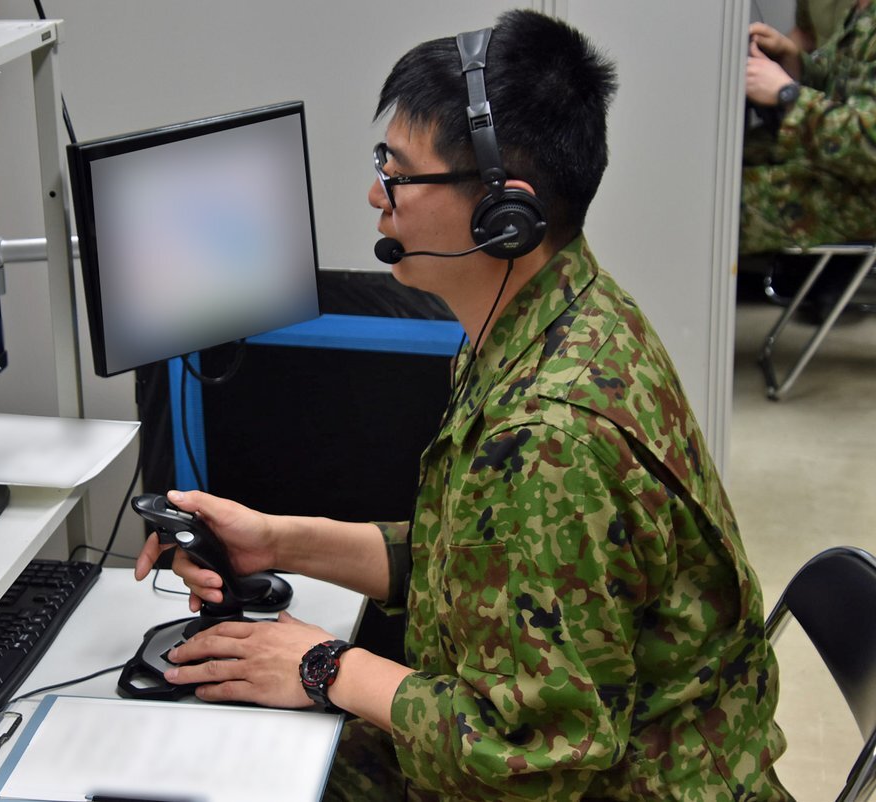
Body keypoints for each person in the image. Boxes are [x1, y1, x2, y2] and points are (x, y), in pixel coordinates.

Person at [135, 9, 791, 800]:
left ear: (503, 216)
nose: (375, 194)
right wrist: (275, 542)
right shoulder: (553, 312)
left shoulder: (550, 435)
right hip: (581, 759)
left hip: (595, 784)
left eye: (399, 174)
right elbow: (476, 565)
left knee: (230, 767)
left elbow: (536, 758)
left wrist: (320, 666)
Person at [741, 0, 876, 254]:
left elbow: (870, 147)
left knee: (712, 203)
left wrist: (788, 94)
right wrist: (793, 61)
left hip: (857, 196)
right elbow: (839, 85)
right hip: (833, 168)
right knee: (713, 167)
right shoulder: (863, 9)